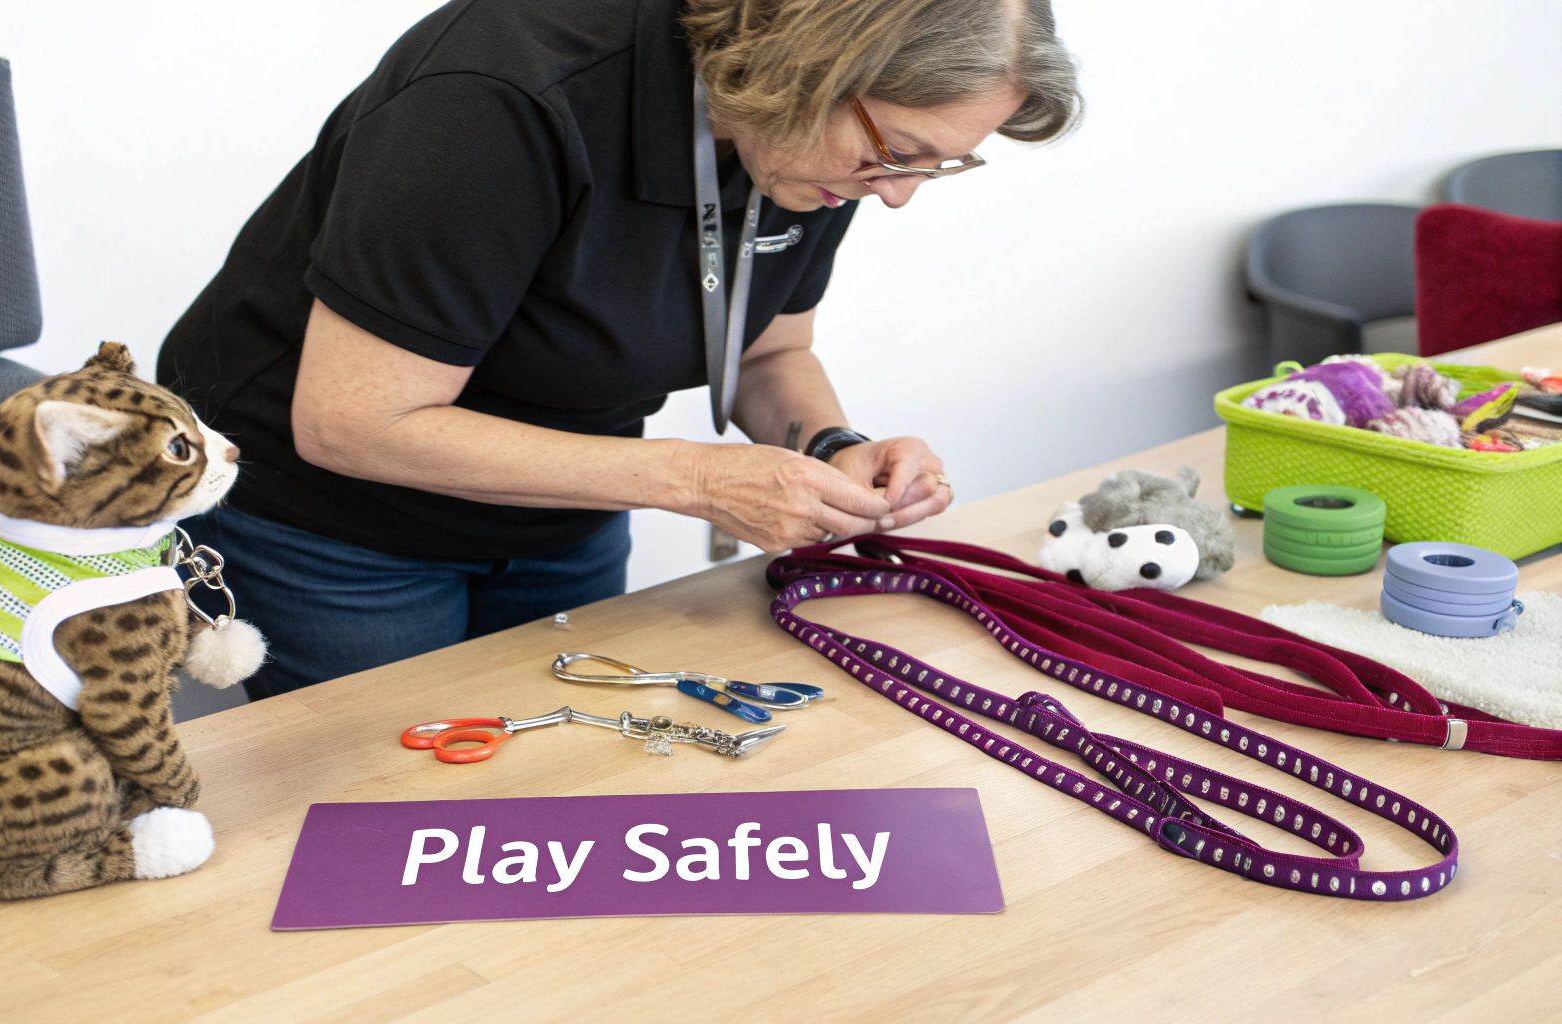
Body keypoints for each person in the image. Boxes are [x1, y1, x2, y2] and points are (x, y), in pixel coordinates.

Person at [158, 0, 1081, 700]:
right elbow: (351, 424)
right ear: (810, 64)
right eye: (900, 155)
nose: (900, 195)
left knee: (563, 775)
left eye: (937, 165)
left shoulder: (816, 159)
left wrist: (834, 448)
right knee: (399, 823)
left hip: (564, 506)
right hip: (332, 527)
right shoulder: (500, 95)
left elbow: (767, 353)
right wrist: (701, 480)